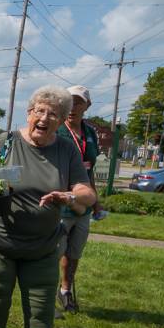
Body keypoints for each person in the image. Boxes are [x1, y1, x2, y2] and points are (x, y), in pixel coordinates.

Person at [0, 86, 96, 328]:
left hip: (43, 243)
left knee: (42, 297)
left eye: (53, 114)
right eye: (40, 111)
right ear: (29, 113)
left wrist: (69, 197)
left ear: (61, 121)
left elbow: (88, 194)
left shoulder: (66, 150)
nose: (45, 118)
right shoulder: (8, 141)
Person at [55, 86, 102, 316]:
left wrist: (96, 201)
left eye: (78, 102)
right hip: (61, 201)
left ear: (87, 105)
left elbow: (89, 170)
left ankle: (65, 291)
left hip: (83, 203)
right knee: (55, 250)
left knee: (74, 252)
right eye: (69, 102)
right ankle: (44, 296)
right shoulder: (56, 129)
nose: (73, 107)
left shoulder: (91, 133)